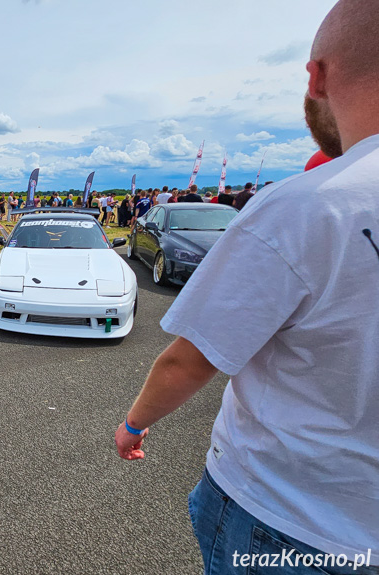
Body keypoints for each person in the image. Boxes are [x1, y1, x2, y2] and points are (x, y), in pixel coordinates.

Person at [115, 1, 379, 572]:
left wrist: (134, 423)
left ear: (316, 76)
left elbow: (189, 360)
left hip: (292, 518)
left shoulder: (308, 206)